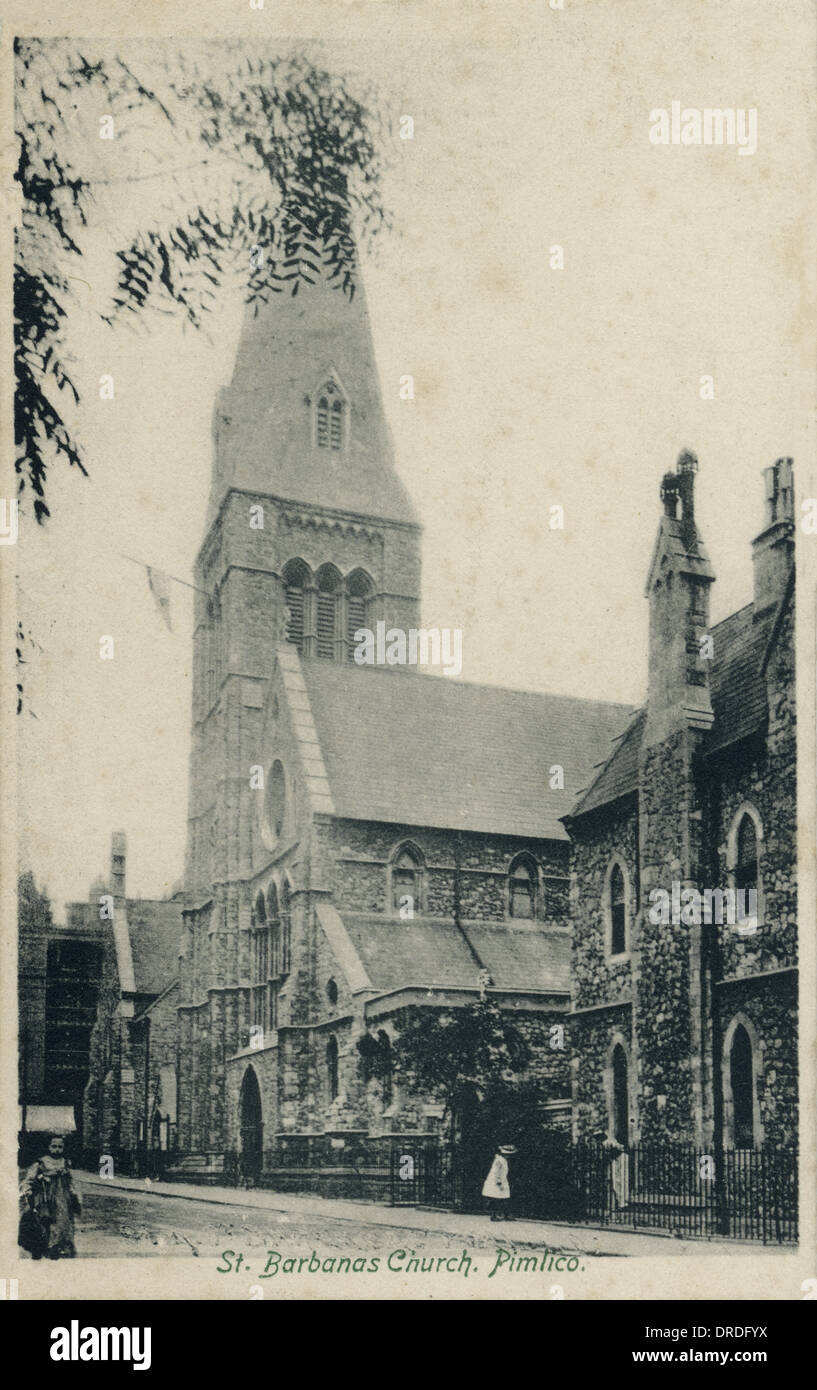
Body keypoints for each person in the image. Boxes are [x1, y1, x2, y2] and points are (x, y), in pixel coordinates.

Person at [19, 1135, 81, 1259]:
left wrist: (75, 1195)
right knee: (44, 1221)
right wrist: (29, 1189)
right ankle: (42, 1246)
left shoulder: (65, 1163)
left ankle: (57, 1247)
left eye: (60, 1147)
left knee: (62, 1222)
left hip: (62, 1198)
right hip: (44, 1198)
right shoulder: (41, 1162)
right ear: (48, 1147)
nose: (57, 1149)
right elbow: (29, 1179)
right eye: (54, 1146)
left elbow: (71, 1182)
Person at [482, 1144, 516, 1221]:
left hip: (502, 1180)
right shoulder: (499, 1161)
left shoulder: (503, 1160)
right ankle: (496, 1214)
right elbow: (496, 1172)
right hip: (497, 1182)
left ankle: (504, 1214)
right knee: (498, 1198)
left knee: (504, 1198)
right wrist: (499, 1182)